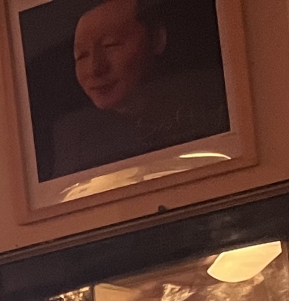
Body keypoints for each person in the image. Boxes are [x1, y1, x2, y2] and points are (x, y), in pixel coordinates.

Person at [46, 0, 228, 179]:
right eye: (81, 55)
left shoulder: (215, 95)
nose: (95, 68)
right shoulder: (72, 137)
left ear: (157, 39)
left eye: (110, 45)